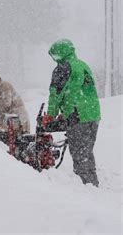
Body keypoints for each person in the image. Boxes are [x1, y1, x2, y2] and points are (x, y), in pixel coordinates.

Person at [43, 39, 101, 187]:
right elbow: (78, 90)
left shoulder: (62, 68)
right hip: (93, 115)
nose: (54, 59)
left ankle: (86, 189)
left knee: (79, 154)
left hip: (78, 116)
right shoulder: (82, 65)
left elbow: (56, 94)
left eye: (55, 55)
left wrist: (51, 115)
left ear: (61, 53)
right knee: (86, 152)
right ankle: (92, 183)